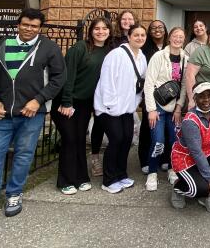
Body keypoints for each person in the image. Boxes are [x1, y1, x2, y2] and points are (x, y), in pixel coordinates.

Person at [0, 8, 66, 223]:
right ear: (18, 24)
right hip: (2, 114)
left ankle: (14, 194)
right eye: (25, 24)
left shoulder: (49, 48)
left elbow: (59, 78)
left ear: (40, 28)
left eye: (34, 26)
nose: (29, 29)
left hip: (31, 113)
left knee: (24, 154)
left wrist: (38, 100)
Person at [52, 17, 111, 195]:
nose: (101, 32)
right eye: (97, 29)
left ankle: (81, 178)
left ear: (109, 31)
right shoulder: (80, 48)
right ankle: (65, 181)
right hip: (67, 101)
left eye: (105, 28)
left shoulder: (108, 51)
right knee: (69, 140)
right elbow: (68, 75)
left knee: (78, 140)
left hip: (86, 103)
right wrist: (66, 102)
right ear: (91, 31)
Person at [94, 24, 147, 194]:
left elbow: (141, 83)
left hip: (128, 108)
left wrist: (135, 101)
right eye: (136, 35)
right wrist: (111, 105)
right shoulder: (116, 54)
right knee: (116, 139)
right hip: (108, 108)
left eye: (142, 35)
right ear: (129, 37)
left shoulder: (142, 57)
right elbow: (107, 81)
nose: (140, 38)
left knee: (126, 140)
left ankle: (121, 174)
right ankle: (108, 180)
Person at [170, 82, 210, 213]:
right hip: (186, 158)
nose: (207, 100)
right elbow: (196, 152)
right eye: (202, 96)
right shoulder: (190, 121)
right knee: (198, 188)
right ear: (195, 98)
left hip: (208, 150)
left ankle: (207, 195)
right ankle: (178, 188)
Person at [142, 27, 188, 191]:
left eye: (181, 37)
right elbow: (149, 82)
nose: (178, 39)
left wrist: (179, 107)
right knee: (158, 141)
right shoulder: (159, 56)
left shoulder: (185, 58)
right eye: (175, 36)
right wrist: (151, 109)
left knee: (175, 141)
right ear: (169, 38)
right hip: (158, 106)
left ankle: (172, 169)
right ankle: (152, 173)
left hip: (174, 107)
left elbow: (183, 86)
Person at [139, 20, 169, 175]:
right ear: (150, 32)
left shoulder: (170, 47)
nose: (157, 30)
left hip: (166, 96)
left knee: (164, 129)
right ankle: (145, 159)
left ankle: (164, 158)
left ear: (165, 30)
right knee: (147, 126)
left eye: (160, 27)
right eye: (153, 28)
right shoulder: (144, 49)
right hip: (150, 93)